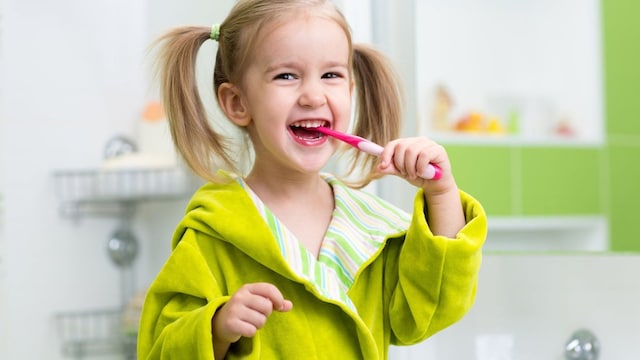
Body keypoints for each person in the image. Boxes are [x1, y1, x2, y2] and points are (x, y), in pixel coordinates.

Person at [137, 0, 487, 359]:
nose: (313, 95)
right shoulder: (212, 234)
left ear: (350, 89)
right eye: (286, 76)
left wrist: (441, 192)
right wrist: (215, 328)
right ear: (237, 103)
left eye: (331, 75)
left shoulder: (371, 229)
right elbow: (160, 349)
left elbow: (431, 310)